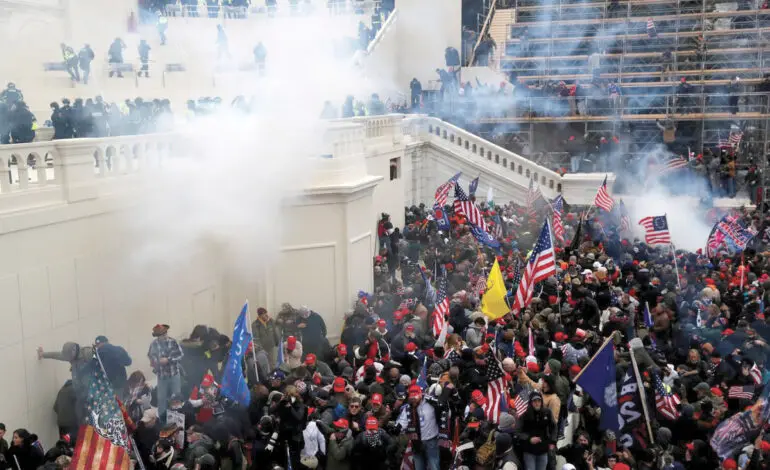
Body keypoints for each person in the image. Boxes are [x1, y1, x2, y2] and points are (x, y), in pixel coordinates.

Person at [147, 323, 184, 422]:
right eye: (161, 334)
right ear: (157, 336)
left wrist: (168, 359)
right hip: (162, 376)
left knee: (176, 397)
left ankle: (177, 419)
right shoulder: (153, 344)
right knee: (161, 398)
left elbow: (180, 355)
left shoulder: (173, 342)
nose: (164, 336)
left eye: (165, 333)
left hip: (174, 374)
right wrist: (157, 361)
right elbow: (150, 356)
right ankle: (163, 420)